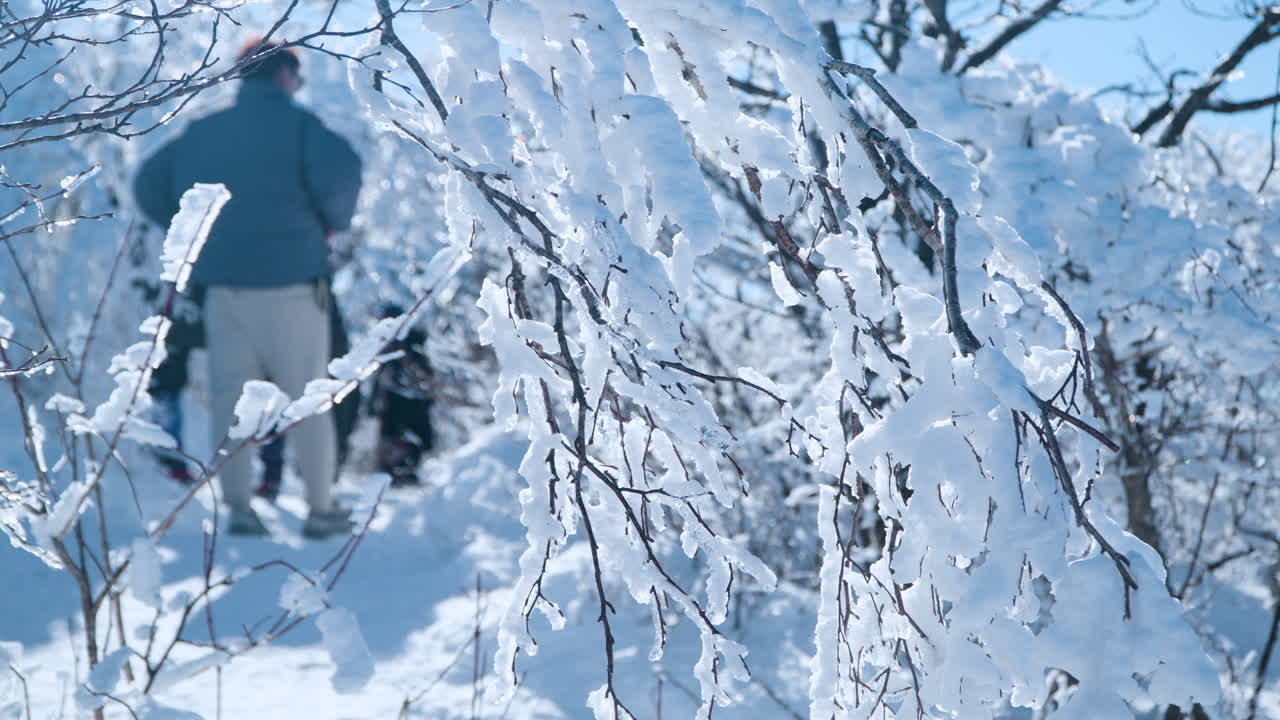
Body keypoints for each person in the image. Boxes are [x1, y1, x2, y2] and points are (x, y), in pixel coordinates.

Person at [133, 40, 363, 539]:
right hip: (293, 287)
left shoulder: (203, 133)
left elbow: (148, 184)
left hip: (223, 291)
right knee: (308, 401)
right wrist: (328, 224)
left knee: (229, 399)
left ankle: (238, 509)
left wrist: (192, 237)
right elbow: (344, 174)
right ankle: (321, 510)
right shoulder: (301, 128)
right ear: (283, 74)